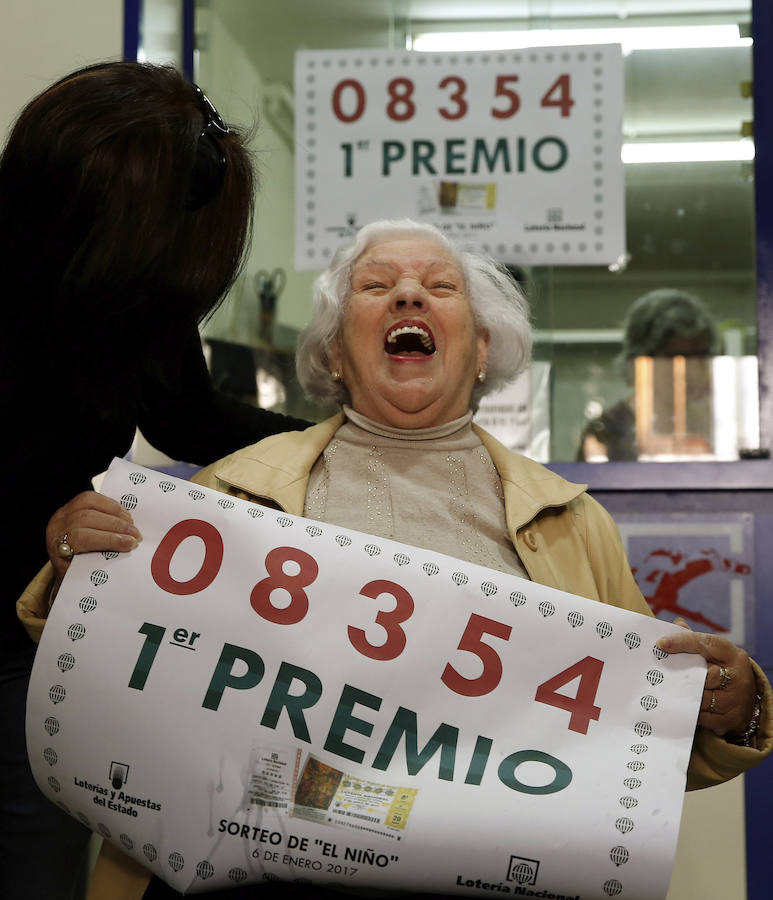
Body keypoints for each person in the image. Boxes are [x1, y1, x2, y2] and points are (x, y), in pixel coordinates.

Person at [19, 219, 771, 899]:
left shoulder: (574, 523)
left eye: (439, 287)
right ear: (334, 354)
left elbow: (628, 745)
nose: (408, 294)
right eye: (374, 287)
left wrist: (722, 709)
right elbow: (112, 669)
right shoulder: (230, 492)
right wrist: (72, 564)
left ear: (481, 350)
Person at [0, 61, 309, 900]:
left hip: (30, 642)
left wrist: (335, 442)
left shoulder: (137, 297)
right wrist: (42, 528)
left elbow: (191, 422)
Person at [577, 288, 719, 461]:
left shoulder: (708, 427)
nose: (694, 371)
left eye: (702, 356)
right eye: (676, 357)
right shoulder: (606, 434)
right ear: (640, 360)